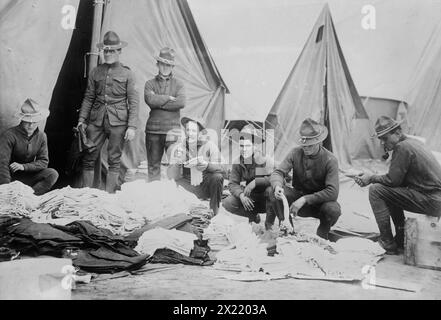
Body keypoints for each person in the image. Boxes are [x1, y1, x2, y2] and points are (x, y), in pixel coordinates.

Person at [355, 116, 441, 254]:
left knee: (376, 191)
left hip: (433, 200)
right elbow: (398, 181)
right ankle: (401, 238)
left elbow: (392, 181)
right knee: (389, 191)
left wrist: (371, 178)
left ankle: (387, 242)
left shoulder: (402, 147)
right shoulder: (414, 143)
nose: (383, 144)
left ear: (397, 133)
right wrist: (376, 177)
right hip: (435, 199)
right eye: (381, 140)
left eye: (385, 139)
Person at [77, 31, 139, 193]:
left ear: (119, 51)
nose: (108, 54)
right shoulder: (95, 72)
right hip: (96, 120)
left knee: (114, 160)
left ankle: (109, 196)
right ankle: (86, 195)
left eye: (112, 51)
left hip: (118, 122)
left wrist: (132, 126)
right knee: (88, 157)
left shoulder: (128, 74)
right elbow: (89, 97)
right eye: (106, 51)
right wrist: (82, 119)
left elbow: (133, 101)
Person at [267, 118, 341, 239]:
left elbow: (333, 192)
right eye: (303, 145)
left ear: (319, 142)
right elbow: (278, 172)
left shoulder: (330, 160)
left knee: (333, 209)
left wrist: (305, 199)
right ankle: (287, 229)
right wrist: (277, 186)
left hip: (319, 204)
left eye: (309, 145)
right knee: (272, 192)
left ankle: (322, 232)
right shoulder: (295, 153)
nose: (305, 148)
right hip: (296, 200)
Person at [167, 116, 224, 216]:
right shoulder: (179, 148)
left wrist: (207, 165)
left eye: (193, 130)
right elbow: (171, 176)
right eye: (188, 130)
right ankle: (181, 214)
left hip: (204, 185)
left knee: (217, 177)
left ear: (199, 132)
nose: (190, 133)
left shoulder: (209, 146)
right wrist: (178, 163)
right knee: (173, 185)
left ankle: (214, 213)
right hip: (188, 186)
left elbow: (223, 168)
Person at [0, 98, 58, 195]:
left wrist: (24, 167)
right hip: (9, 177)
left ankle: (29, 197)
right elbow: (2, 164)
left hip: (27, 177)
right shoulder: (9, 135)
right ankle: (12, 197)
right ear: (22, 120)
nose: (31, 126)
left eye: (34, 122)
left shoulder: (42, 136)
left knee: (52, 174)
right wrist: (7, 190)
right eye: (27, 122)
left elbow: (43, 162)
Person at [144, 47, 185, 181]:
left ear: (172, 66)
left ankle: (172, 197)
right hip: (153, 130)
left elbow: (181, 103)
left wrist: (158, 100)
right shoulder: (149, 84)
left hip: (173, 131)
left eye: (168, 64)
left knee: (174, 166)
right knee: (153, 167)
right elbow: (150, 100)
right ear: (157, 64)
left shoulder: (179, 84)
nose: (165, 67)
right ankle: (154, 197)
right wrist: (168, 98)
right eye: (163, 64)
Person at [222, 125, 275, 224]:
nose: (244, 149)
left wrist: (255, 182)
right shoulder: (237, 162)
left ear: (254, 146)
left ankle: (269, 224)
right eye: (242, 146)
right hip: (251, 198)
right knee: (227, 202)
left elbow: (276, 179)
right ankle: (252, 215)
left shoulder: (264, 160)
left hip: (266, 199)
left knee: (271, 191)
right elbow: (233, 184)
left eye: (248, 146)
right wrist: (241, 195)